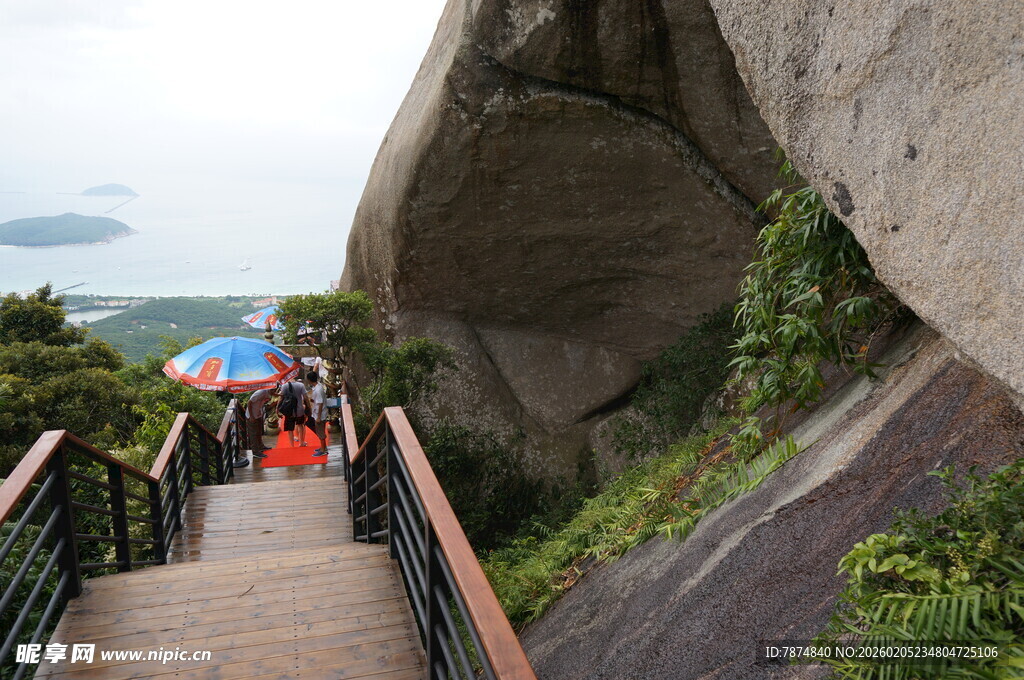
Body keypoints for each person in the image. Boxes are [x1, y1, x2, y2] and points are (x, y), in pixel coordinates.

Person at [245, 387, 275, 459]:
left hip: (258, 414)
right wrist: (251, 416)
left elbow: (271, 395)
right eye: (273, 390)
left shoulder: (268, 392)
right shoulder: (260, 392)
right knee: (253, 434)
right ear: (270, 389)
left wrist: (279, 395)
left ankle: (261, 446)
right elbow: (249, 402)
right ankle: (255, 452)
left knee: (259, 431)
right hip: (252, 415)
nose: (274, 392)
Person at [277, 377, 309, 447]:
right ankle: (301, 442)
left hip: (289, 410)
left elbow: (281, 398)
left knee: (290, 428)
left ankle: (292, 445)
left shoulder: (284, 386)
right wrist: (308, 407)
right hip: (299, 409)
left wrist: (277, 408)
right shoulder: (301, 385)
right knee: (300, 425)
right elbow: (306, 397)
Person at [307, 370, 328, 456]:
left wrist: (318, 416)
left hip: (320, 413)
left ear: (309, 380)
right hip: (319, 412)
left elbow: (320, 403)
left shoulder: (318, 390)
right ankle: (323, 447)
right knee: (320, 431)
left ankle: (323, 450)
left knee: (320, 432)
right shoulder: (318, 387)